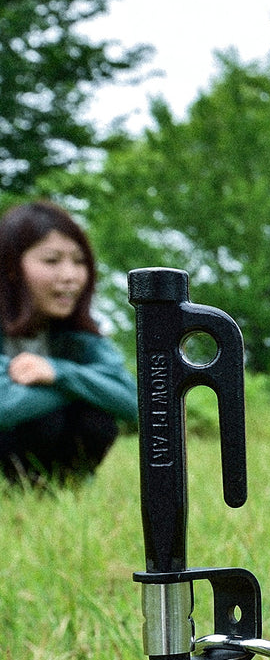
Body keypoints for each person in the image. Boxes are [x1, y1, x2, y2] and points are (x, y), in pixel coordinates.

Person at [0, 199, 137, 486]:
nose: (70, 276)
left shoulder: (81, 338)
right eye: (51, 260)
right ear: (11, 267)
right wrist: (89, 386)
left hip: (63, 480)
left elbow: (136, 403)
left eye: (79, 261)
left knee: (95, 418)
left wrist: (58, 373)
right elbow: (4, 407)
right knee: (50, 414)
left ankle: (65, 489)